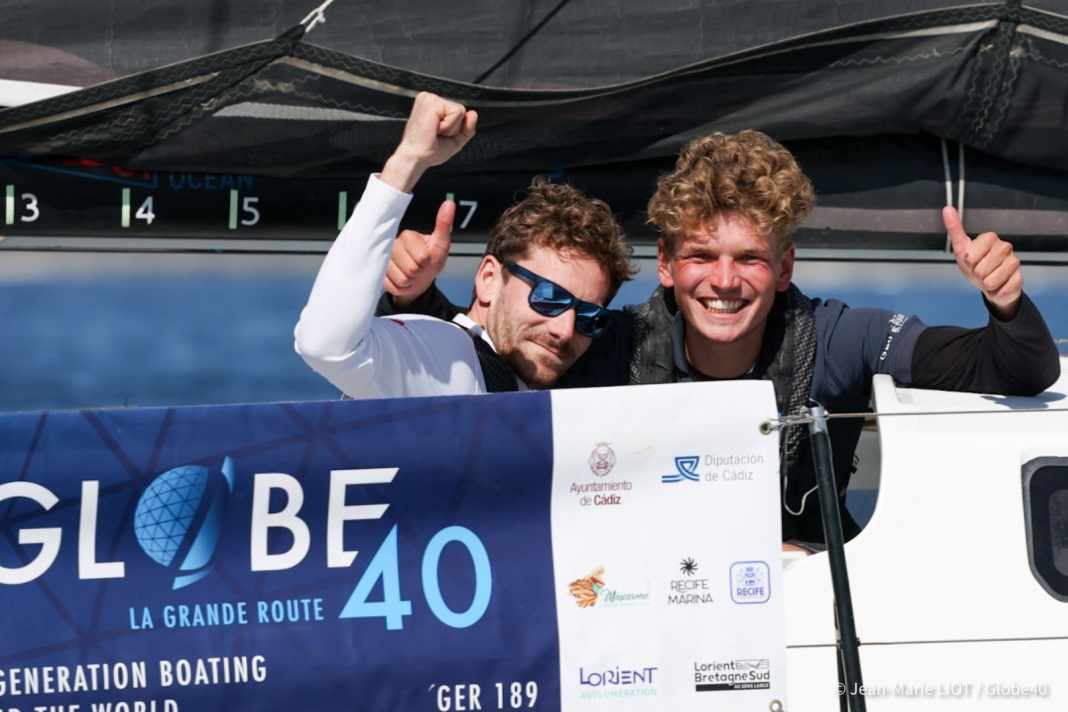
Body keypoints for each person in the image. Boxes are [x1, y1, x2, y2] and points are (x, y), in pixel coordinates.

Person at [386, 129, 1061, 545]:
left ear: (785, 267)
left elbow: (1014, 369)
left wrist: (1005, 302)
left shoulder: (836, 337)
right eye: (703, 256)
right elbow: (488, 362)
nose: (725, 281)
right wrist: (412, 295)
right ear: (670, 267)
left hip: (801, 607)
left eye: (751, 258)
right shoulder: (615, 344)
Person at [294, 92, 635, 399]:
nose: (565, 330)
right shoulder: (447, 357)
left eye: (589, 318)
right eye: (548, 298)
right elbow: (326, 346)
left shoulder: (556, 387)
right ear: (488, 278)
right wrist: (408, 162)